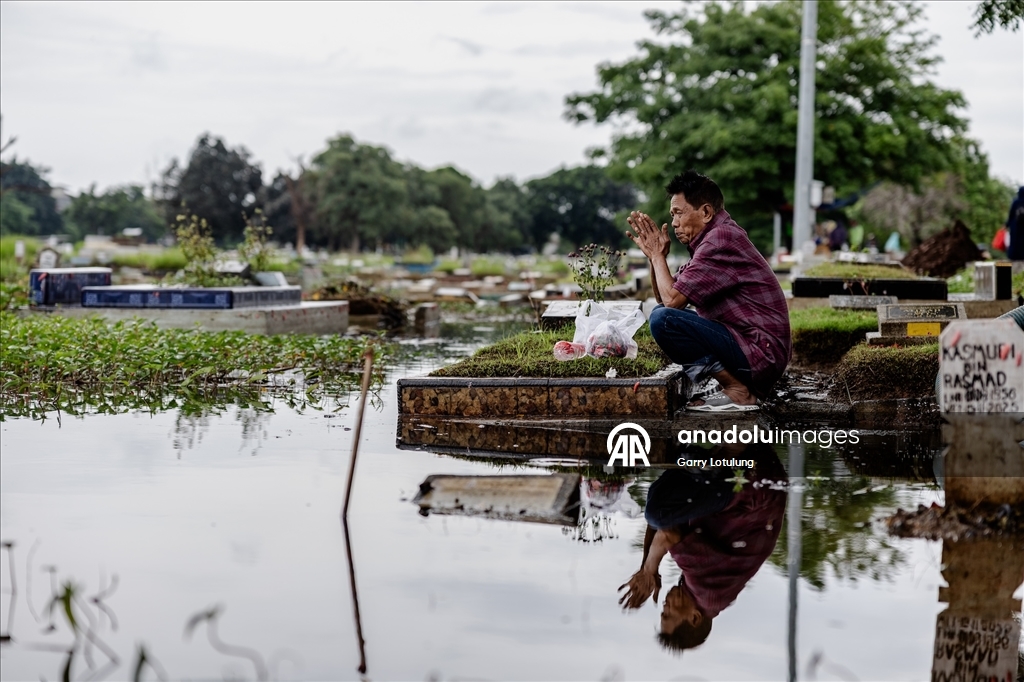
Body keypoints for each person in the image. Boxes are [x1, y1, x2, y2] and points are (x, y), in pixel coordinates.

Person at [626, 170, 791, 411]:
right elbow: (665, 297)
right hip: (755, 348)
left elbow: (672, 303)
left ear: (705, 212)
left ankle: (738, 391)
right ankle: (732, 385)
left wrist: (656, 256)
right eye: (672, 215)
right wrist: (655, 257)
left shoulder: (720, 239)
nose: (673, 223)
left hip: (760, 352)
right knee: (663, 314)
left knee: (663, 319)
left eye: (679, 213)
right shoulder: (711, 240)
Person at [617, 444, 787, 653]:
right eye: (668, 613)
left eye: (663, 611)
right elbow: (667, 534)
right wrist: (649, 570)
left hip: (755, 480)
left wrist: (646, 565)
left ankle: (696, 461)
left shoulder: (709, 596)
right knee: (658, 511)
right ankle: (701, 459)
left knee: (658, 500)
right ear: (694, 617)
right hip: (752, 484)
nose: (665, 605)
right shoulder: (707, 591)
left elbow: (665, 528)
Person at [1006, 186, 1024, 261]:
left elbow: (1011, 214)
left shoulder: (1016, 202)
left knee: (1014, 242)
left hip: (1015, 227)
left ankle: (1013, 256)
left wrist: (1007, 224)